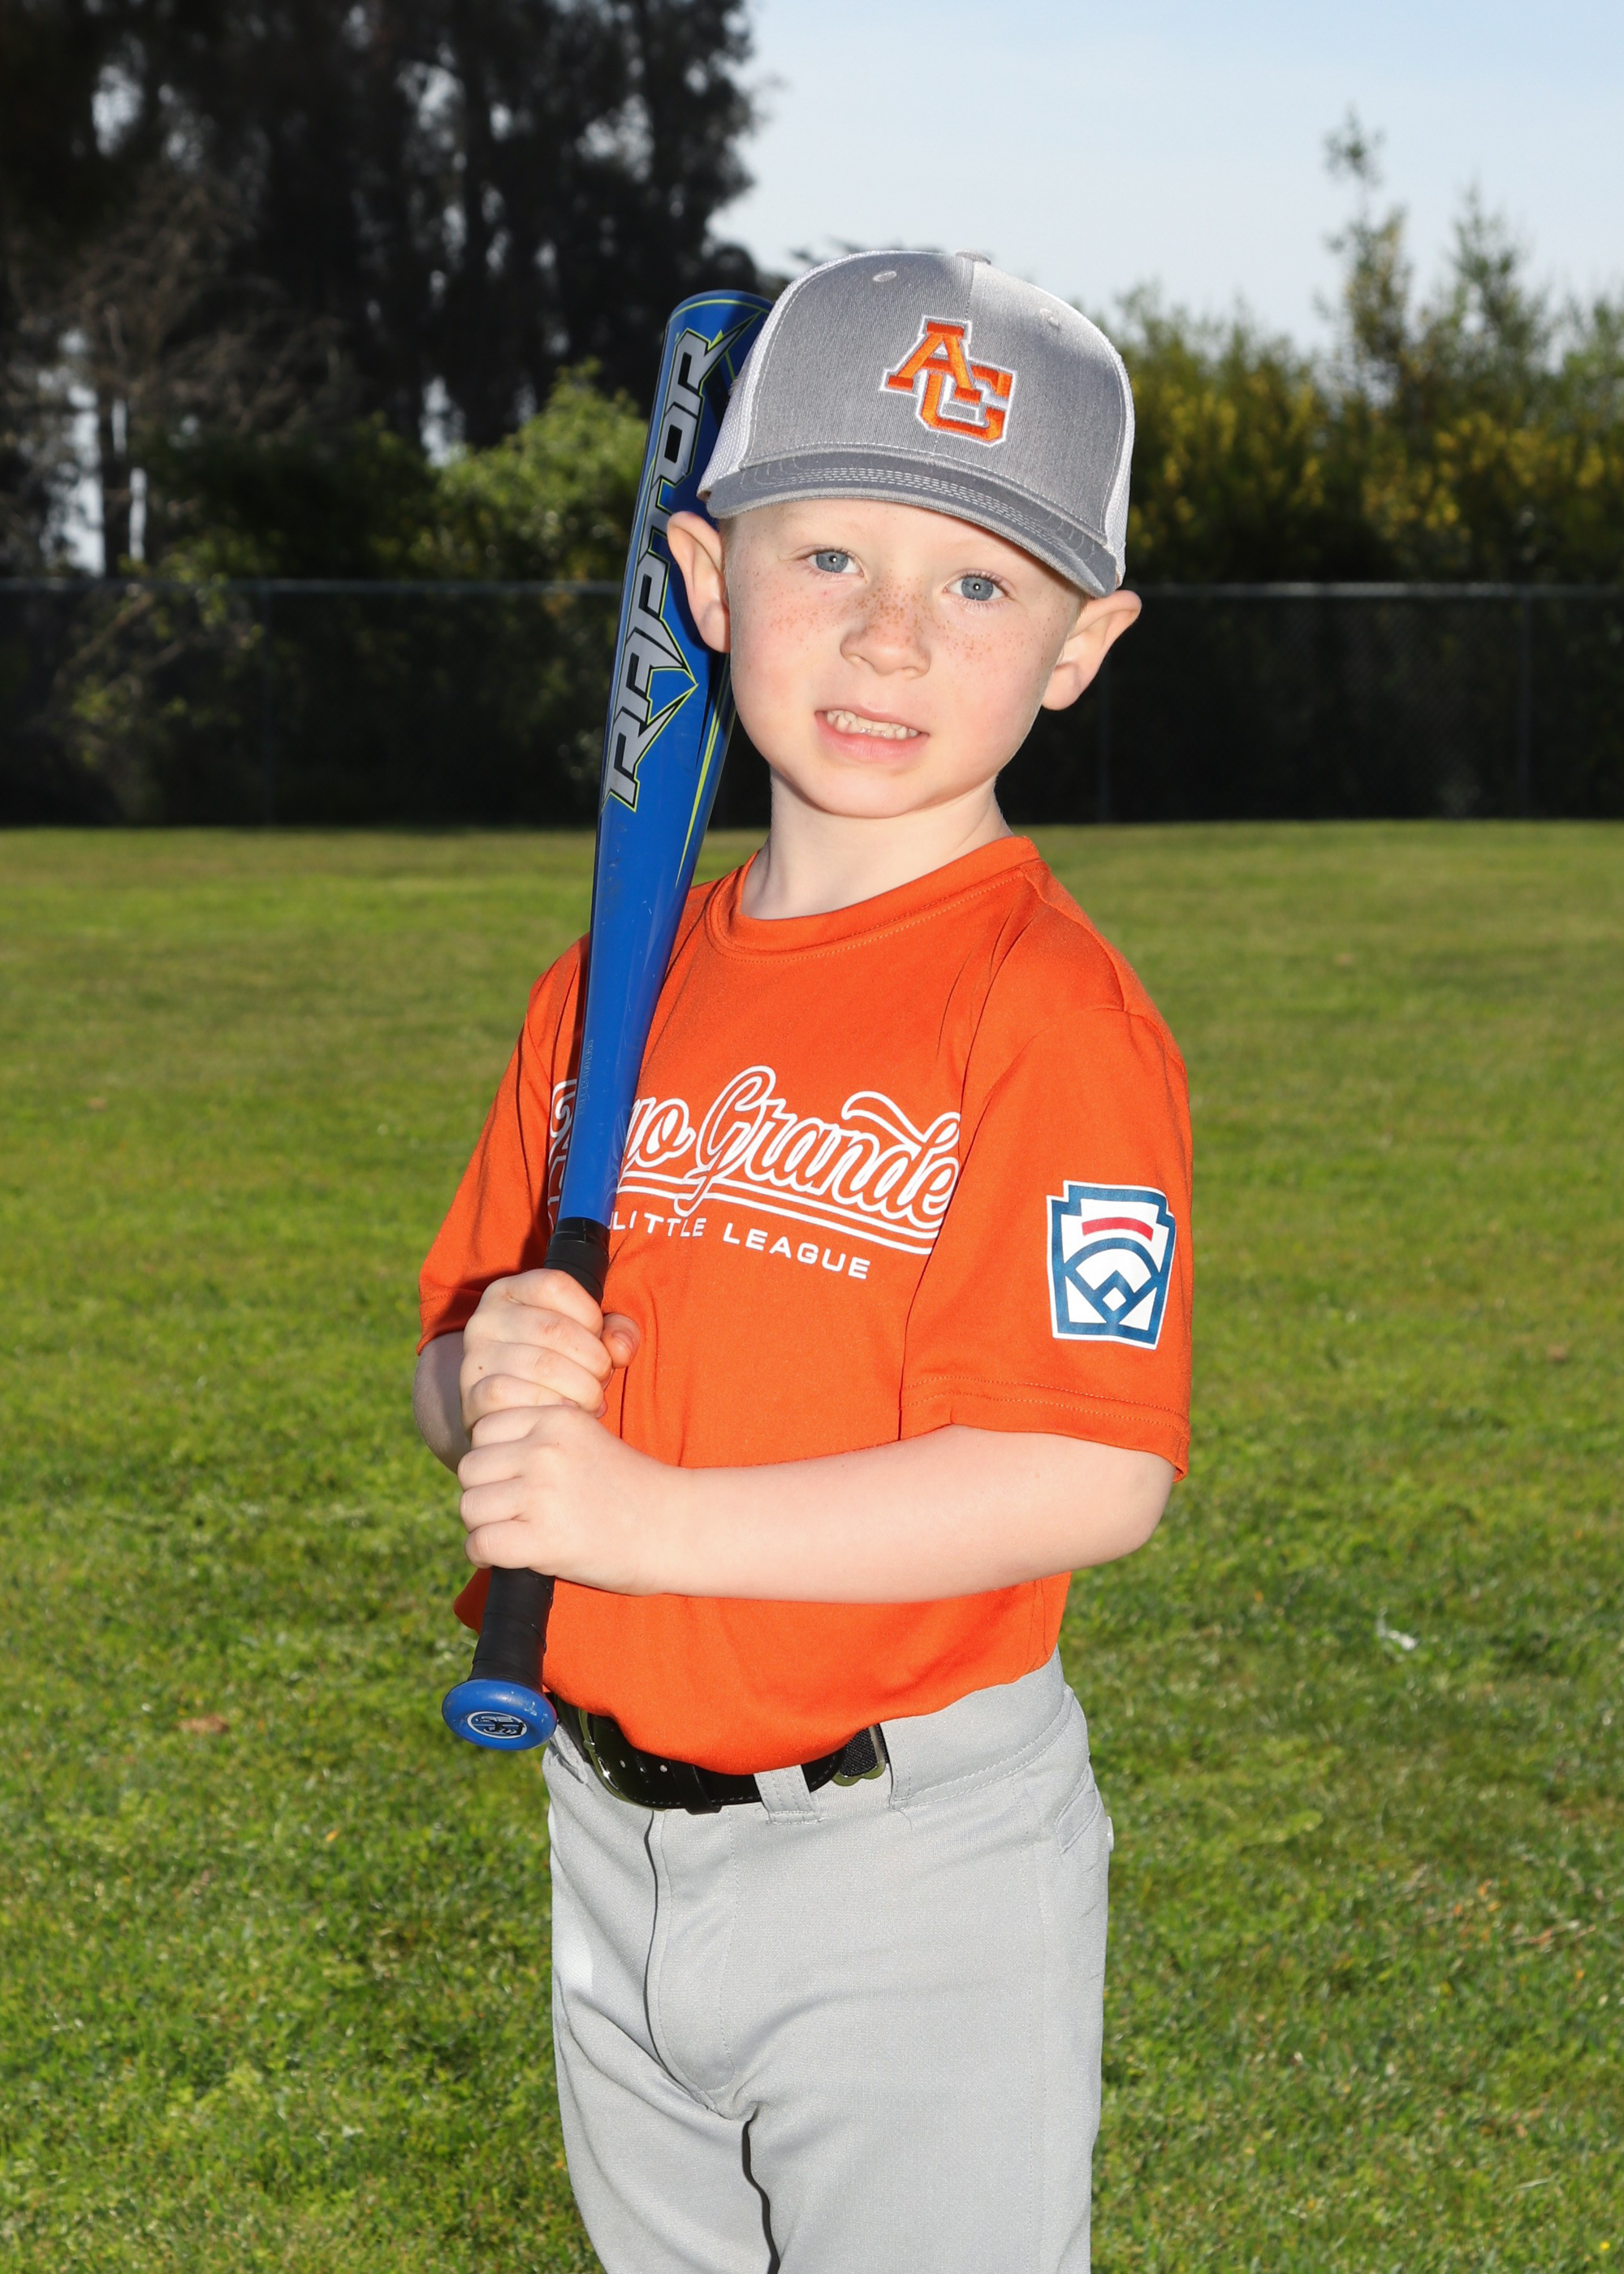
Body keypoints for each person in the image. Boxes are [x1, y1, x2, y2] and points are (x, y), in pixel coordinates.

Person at [413, 249, 1192, 2274]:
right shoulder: (605, 988)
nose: (886, 631)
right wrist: (487, 1377)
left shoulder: (1046, 1015)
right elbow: (458, 1357)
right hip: (608, 1828)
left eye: (979, 583)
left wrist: (643, 1518)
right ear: (703, 573)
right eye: (828, 550)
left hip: (912, 1869)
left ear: (1081, 645)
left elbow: (1086, 1466)